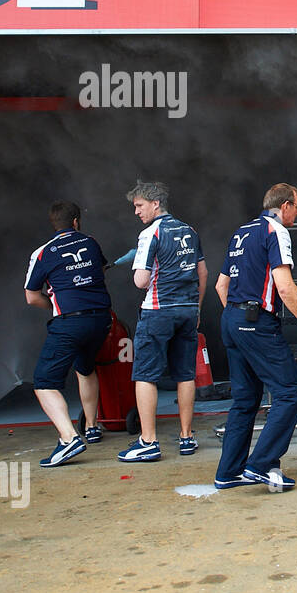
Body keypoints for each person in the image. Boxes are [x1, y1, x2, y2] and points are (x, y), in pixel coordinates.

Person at [213, 183, 297, 491]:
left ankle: (228, 472)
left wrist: (237, 318)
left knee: (245, 399)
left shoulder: (241, 232)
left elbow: (221, 286)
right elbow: (284, 286)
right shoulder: (275, 231)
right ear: (284, 206)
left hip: (232, 320)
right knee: (291, 391)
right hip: (255, 321)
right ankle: (259, 465)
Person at [117, 180, 207, 463]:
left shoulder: (150, 233)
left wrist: (140, 268)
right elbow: (203, 272)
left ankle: (148, 442)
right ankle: (186, 437)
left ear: (155, 204)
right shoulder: (190, 231)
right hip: (188, 310)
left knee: (145, 374)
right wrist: (197, 308)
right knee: (185, 373)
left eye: (139, 206)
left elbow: (141, 280)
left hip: (158, 311)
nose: (136, 212)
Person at [23, 201, 112, 467]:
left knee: (44, 382)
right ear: (76, 221)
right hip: (101, 319)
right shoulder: (91, 242)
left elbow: (30, 297)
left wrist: (55, 303)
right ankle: (93, 427)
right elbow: (100, 270)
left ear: (54, 224)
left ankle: (69, 437)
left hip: (70, 322)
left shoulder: (43, 252)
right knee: (85, 368)